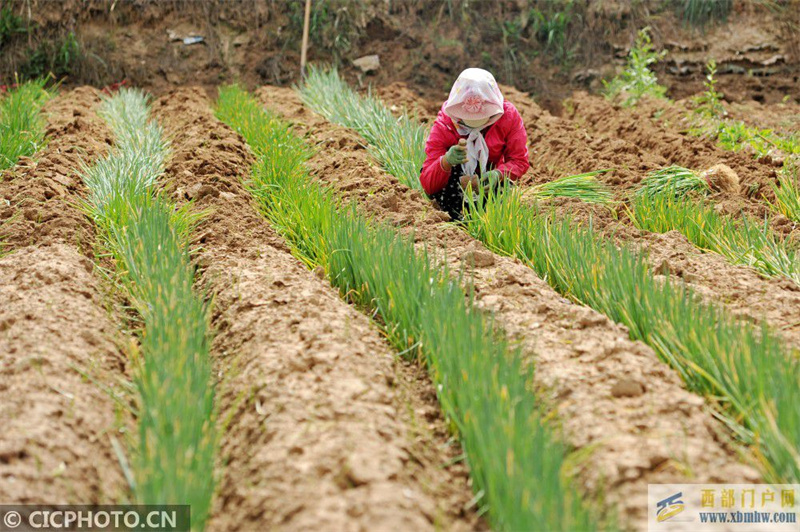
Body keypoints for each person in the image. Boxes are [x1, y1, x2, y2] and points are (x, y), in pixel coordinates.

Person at [419, 68, 530, 220]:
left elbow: (519, 160)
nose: (475, 126)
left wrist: (498, 174)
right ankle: (456, 220)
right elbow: (428, 183)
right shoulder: (445, 125)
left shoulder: (507, 117)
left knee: (505, 196)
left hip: (489, 181)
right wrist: (446, 161)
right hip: (453, 189)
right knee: (445, 197)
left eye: (482, 120)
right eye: (467, 122)